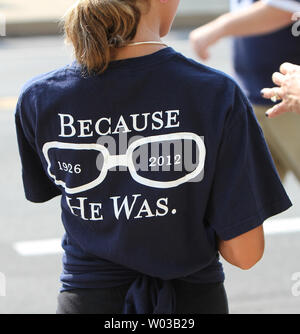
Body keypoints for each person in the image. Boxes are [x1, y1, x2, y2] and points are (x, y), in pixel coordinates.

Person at [15, 0, 292, 314]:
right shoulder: (217, 94)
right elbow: (245, 253)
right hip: (190, 302)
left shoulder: (38, 97)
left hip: (87, 302)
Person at [190, 0, 300, 183]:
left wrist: (219, 27)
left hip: (291, 100)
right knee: (246, 201)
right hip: (251, 98)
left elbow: (288, 7)